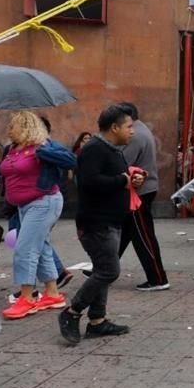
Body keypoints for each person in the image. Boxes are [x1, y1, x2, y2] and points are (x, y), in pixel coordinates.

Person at [59, 104, 140, 344]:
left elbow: (114, 179)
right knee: (109, 271)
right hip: (96, 222)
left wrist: (130, 179)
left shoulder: (113, 149)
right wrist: (121, 180)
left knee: (101, 270)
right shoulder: (94, 149)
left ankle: (97, 321)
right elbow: (89, 182)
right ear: (114, 128)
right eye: (129, 126)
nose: (132, 131)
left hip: (111, 220)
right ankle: (71, 312)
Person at [0, 111, 75, 320]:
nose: (9, 129)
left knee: (24, 249)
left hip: (43, 203)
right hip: (24, 205)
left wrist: (45, 152)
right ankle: (52, 294)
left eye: (13, 126)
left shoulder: (42, 147)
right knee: (41, 247)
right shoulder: (13, 149)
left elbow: (71, 160)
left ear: (25, 127)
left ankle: (27, 298)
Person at [116, 103, 169, 291]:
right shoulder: (141, 129)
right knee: (126, 232)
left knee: (143, 236)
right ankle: (105, 267)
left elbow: (122, 162)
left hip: (139, 192)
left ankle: (158, 278)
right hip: (143, 189)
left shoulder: (135, 135)